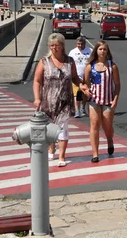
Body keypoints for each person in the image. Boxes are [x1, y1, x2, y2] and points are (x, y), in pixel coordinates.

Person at [33, 33, 89, 167]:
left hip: (64, 101)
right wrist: (37, 98)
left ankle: (62, 156)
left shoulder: (69, 61)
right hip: (48, 101)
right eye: (51, 46)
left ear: (62, 46)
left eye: (56, 45)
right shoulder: (44, 61)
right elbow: (37, 80)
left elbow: (74, 77)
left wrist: (81, 85)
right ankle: (51, 148)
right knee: (50, 128)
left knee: (63, 129)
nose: (53, 48)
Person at [84, 41, 120, 162]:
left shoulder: (112, 66)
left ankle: (109, 140)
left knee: (107, 125)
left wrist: (115, 99)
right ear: (96, 51)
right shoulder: (90, 66)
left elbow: (117, 84)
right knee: (94, 124)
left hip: (108, 100)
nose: (102, 51)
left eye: (104, 49)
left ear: (107, 51)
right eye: (100, 49)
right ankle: (95, 154)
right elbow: (85, 83)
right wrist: (86, 91)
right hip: (94, 99)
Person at [68, 36, 93, 118]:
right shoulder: (72, 52)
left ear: (85, 43)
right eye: (78, 44)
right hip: (76, 77)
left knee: (85, 93)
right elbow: (69, 63)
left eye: (82, 44)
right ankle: (77, 110)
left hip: (87, 77)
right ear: (76, 43)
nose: (80, 45)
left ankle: (82, 108)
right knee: (76, 94)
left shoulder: (90, 51)